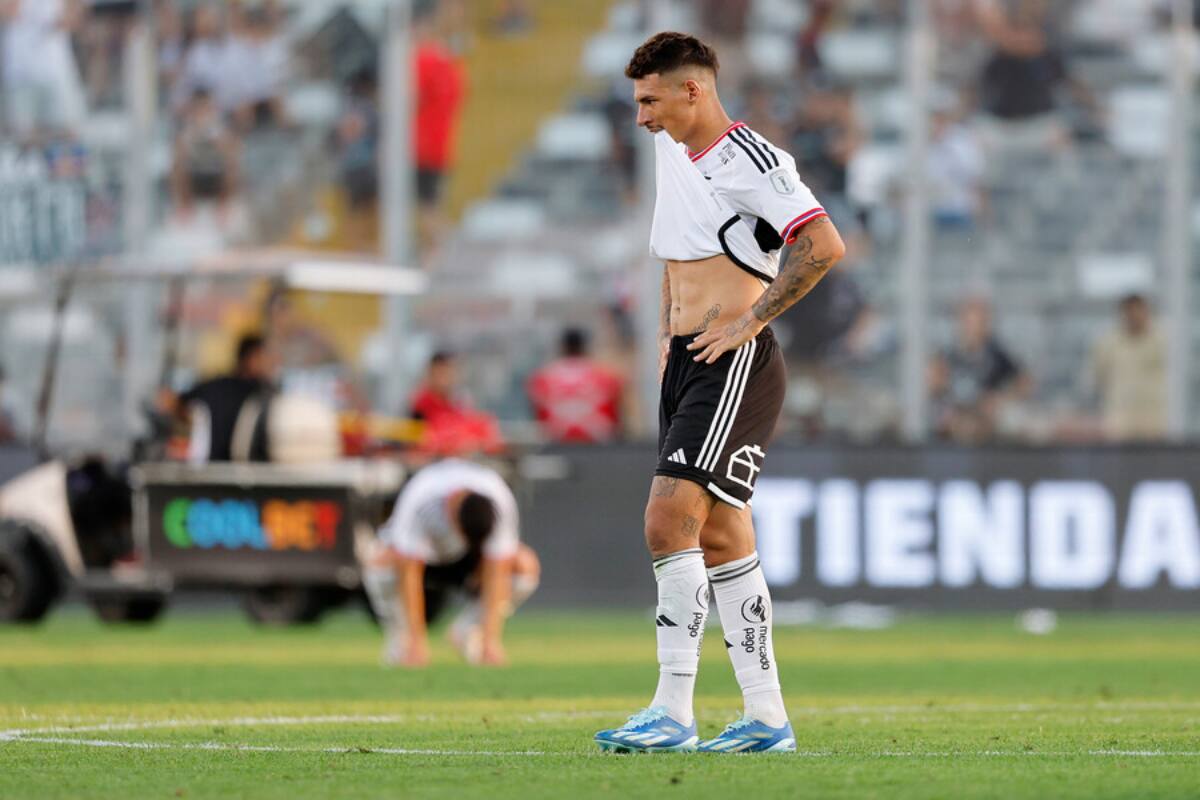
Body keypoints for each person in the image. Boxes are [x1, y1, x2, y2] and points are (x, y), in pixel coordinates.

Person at [594, 32, 845, 755]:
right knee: (722, 536)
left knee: (666, 519)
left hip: (733, 363)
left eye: (650, 101)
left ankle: (672, 709)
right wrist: (667, 329)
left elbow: (823, 246)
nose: (641, 117)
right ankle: (766, 718)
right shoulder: (673, 148)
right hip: (689, 361)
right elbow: (677, 248)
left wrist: (749, 321)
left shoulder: (754, 162)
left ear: (692, 90)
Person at [364, 458, 540, 667]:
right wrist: (416, 641)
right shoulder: (424, 498)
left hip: (469, 561)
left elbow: (497, 570)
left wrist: (491, 640)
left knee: (524, 566)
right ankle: (401, 639)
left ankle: (470, 630)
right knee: (380, 562)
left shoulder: (498, 499)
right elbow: (409, 571)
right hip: (425, 559)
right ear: (452, 515)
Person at [929, 297, 1028, 443]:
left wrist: (1000, 399)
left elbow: (1024, 381)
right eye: (970, 321)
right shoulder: (948, 354)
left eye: (980, 322)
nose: (975, 328)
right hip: (956, 414)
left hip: (984, 417)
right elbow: (935, 387)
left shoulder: (997, 355)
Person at [413, 5, 465, 261]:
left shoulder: (422, 60)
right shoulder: (449, 61)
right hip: (440, 144)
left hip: (419, 145)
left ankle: (442, 254)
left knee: (428, 207)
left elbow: (409, 98)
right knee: (433, 203)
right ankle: (439, 251)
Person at [176, 334, 275, 462]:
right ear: (251, 358)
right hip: (226, 467)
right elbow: (175, 402)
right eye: (265, 357)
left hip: (218, 466)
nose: (270, 363)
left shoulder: (217, 385)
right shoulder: (261, 394)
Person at [1088, 294, 1167, 442]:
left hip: (1154, 422)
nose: (1135, 317)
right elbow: (1097, 378)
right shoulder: (1108, 344)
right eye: (1130, 312)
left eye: (1139, 311)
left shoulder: (1162, 341)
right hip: (1119, 423)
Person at [526, 328, 625, 444]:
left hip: (556, 443)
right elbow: (616, 417)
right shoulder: (605, 377)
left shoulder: (542, 378)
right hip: (596, 443)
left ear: (562, 347)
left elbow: (538, 417)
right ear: (584, 347)